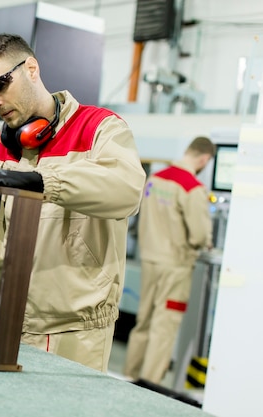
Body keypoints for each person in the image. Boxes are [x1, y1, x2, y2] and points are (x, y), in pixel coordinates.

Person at [0, 33, 146, 372]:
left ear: (31, 68)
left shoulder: (99, 127)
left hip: (74, 332)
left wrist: (40, 180)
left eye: (0, 85)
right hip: (9, 320)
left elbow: (127, 189)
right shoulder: (0, 147)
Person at [123, 136, 215, 384]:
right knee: (164, 327)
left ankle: (130, 376)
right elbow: (198, 234)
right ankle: (150, 386)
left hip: (150, 260)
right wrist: (206, 241)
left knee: (144, 322)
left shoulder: (155, 178)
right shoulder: (191, 187)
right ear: (204, 159)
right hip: (175, 266)